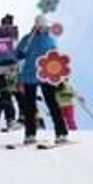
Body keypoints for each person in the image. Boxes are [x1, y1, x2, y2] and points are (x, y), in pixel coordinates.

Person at [14, 14, 69, 146]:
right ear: (36, 26)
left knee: (52, 103)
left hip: (45, 75)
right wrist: (20, 53)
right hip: (29, 75)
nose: (44, 29)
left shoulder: (50, 40)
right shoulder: (28, 39)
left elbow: (55, 57)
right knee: (29, 106)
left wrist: (59, 75)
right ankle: (30, 134)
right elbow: (18, 54)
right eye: (42, 27)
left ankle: (61, 132)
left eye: (46, 27)